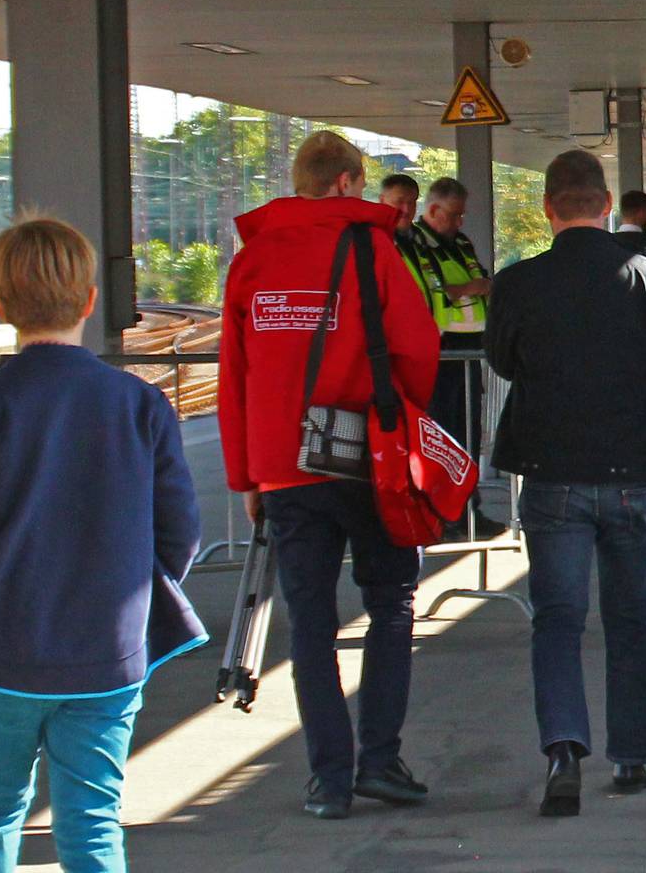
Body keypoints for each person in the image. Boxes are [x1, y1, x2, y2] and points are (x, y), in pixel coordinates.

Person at [0, 218, 204, 873]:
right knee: (93, 816)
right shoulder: (139, 404)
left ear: (0, 305)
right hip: (107, 653)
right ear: (91, 300)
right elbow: (179, 531)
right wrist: (129, 598)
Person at [484, 149, 646, 817]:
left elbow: (501, 358)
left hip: (552, 475)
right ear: (607, 205)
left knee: (557, 618)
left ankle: (562, 747)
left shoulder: (519, 282)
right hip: (630, 476)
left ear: (548, 209)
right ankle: (631, 756)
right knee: (630, 618)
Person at [220, 130, 442, 819]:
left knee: (310, 624)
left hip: (285, 470)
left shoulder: (252, 260)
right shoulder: (372, 249)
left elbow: (235, 378)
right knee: (391, 604)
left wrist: (247, 478)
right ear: (347, 183)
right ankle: (380, 760)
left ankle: (328, 781)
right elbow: (417, 344)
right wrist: (402, 422)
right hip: (369, 463)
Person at [399, 176, 492, 450]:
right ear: (433, 211)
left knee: (468, 424)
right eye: (453, 215)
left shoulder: (461, 243)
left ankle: (469, 486)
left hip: (470, 347)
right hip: (439, 348)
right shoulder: (415, 245)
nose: (459, 222)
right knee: (442, 425)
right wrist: (467, 288)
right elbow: (424, 291)